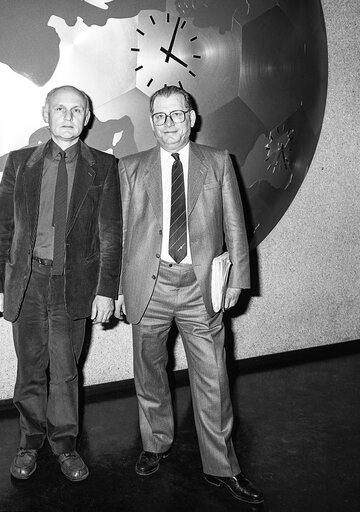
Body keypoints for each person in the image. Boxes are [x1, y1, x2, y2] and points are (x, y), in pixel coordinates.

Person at [115, 85, 263, 504]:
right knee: (149, 372)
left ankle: (222, 466)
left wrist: (238, 278)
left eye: (176, 114)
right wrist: (115, 289)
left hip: (202, 288)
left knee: (214, 377)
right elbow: (120, 234)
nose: (168, 124)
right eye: (159, 116)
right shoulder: (130, 167)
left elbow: (236, 223)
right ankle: (155, 442)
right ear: (151, 122)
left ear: (192, 117)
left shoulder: (217, 162)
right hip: (149, 284)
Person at [0, 85, 122, 482]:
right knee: (29, 368)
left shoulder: (105, 167)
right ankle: (29, 443)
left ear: (88, 117)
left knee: (64, 371)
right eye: (59, 108)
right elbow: (2, 228)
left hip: (73, 284)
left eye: (76, 110)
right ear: (45, 112)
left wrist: (107, 290)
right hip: (28, 282)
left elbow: (111, 234)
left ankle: (65, 445)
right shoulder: (20, 163)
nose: (67, 116)